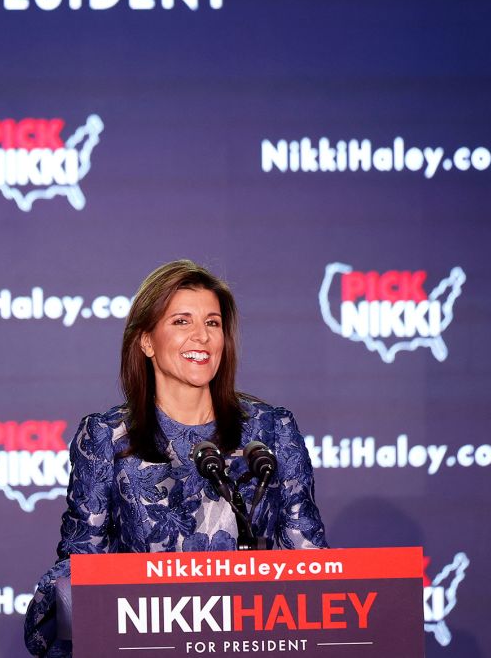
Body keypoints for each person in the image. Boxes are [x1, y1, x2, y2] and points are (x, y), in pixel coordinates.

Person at [23, 259, 328, 657]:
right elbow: (84, 560)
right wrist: (60, 600)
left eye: (213, 323)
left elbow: (309, 558)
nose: (201, 336)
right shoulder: (107, 436)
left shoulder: (272, 430)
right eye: (182, 321)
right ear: (146, 341)